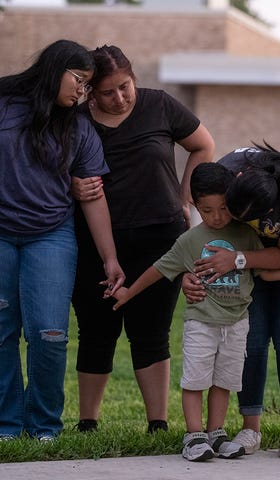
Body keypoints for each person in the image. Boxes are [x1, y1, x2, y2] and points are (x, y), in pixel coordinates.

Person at [111, 162, 280, 461]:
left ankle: (216, 433)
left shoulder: (246, 236)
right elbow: (160, 268)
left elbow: (267, 272)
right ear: (194, 204)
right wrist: (129, 292)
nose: (218, 217)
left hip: (236, 324)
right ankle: (194, 436)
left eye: (223, 208)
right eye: (208, 210)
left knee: (225, 381)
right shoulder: (190, 240)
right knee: (195, 379)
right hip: (202, 323)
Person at [70, 45, 215, 434]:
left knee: (151, 330)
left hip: (161, 238)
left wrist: (186, 198)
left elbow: (203, 145)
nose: (119, 98)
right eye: (107, 92)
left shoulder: (160, 105)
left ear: (134, 80)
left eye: (125, 87)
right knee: (96, 328)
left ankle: (158, 423)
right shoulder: (76, 120)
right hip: (94, 243)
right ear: (90, 92)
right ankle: (87, 422)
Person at [0, 39, 125, 442]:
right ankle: (6, 426)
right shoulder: (3, 104)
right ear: (56, 69)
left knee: (49, 333)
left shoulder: (77, 125)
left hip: (51, 236)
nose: (82, 92)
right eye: (80, 81)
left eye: (89, 85)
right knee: (1, 330)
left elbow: (93, 193)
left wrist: (110, 259)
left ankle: (43, 426)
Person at [183, 143, 280, 457]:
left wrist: (237, 260)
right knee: (251, 336)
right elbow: (208, 228)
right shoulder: (227, 170)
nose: (228, 217)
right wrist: (190, 272)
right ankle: (250, 426)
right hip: (237, 252)